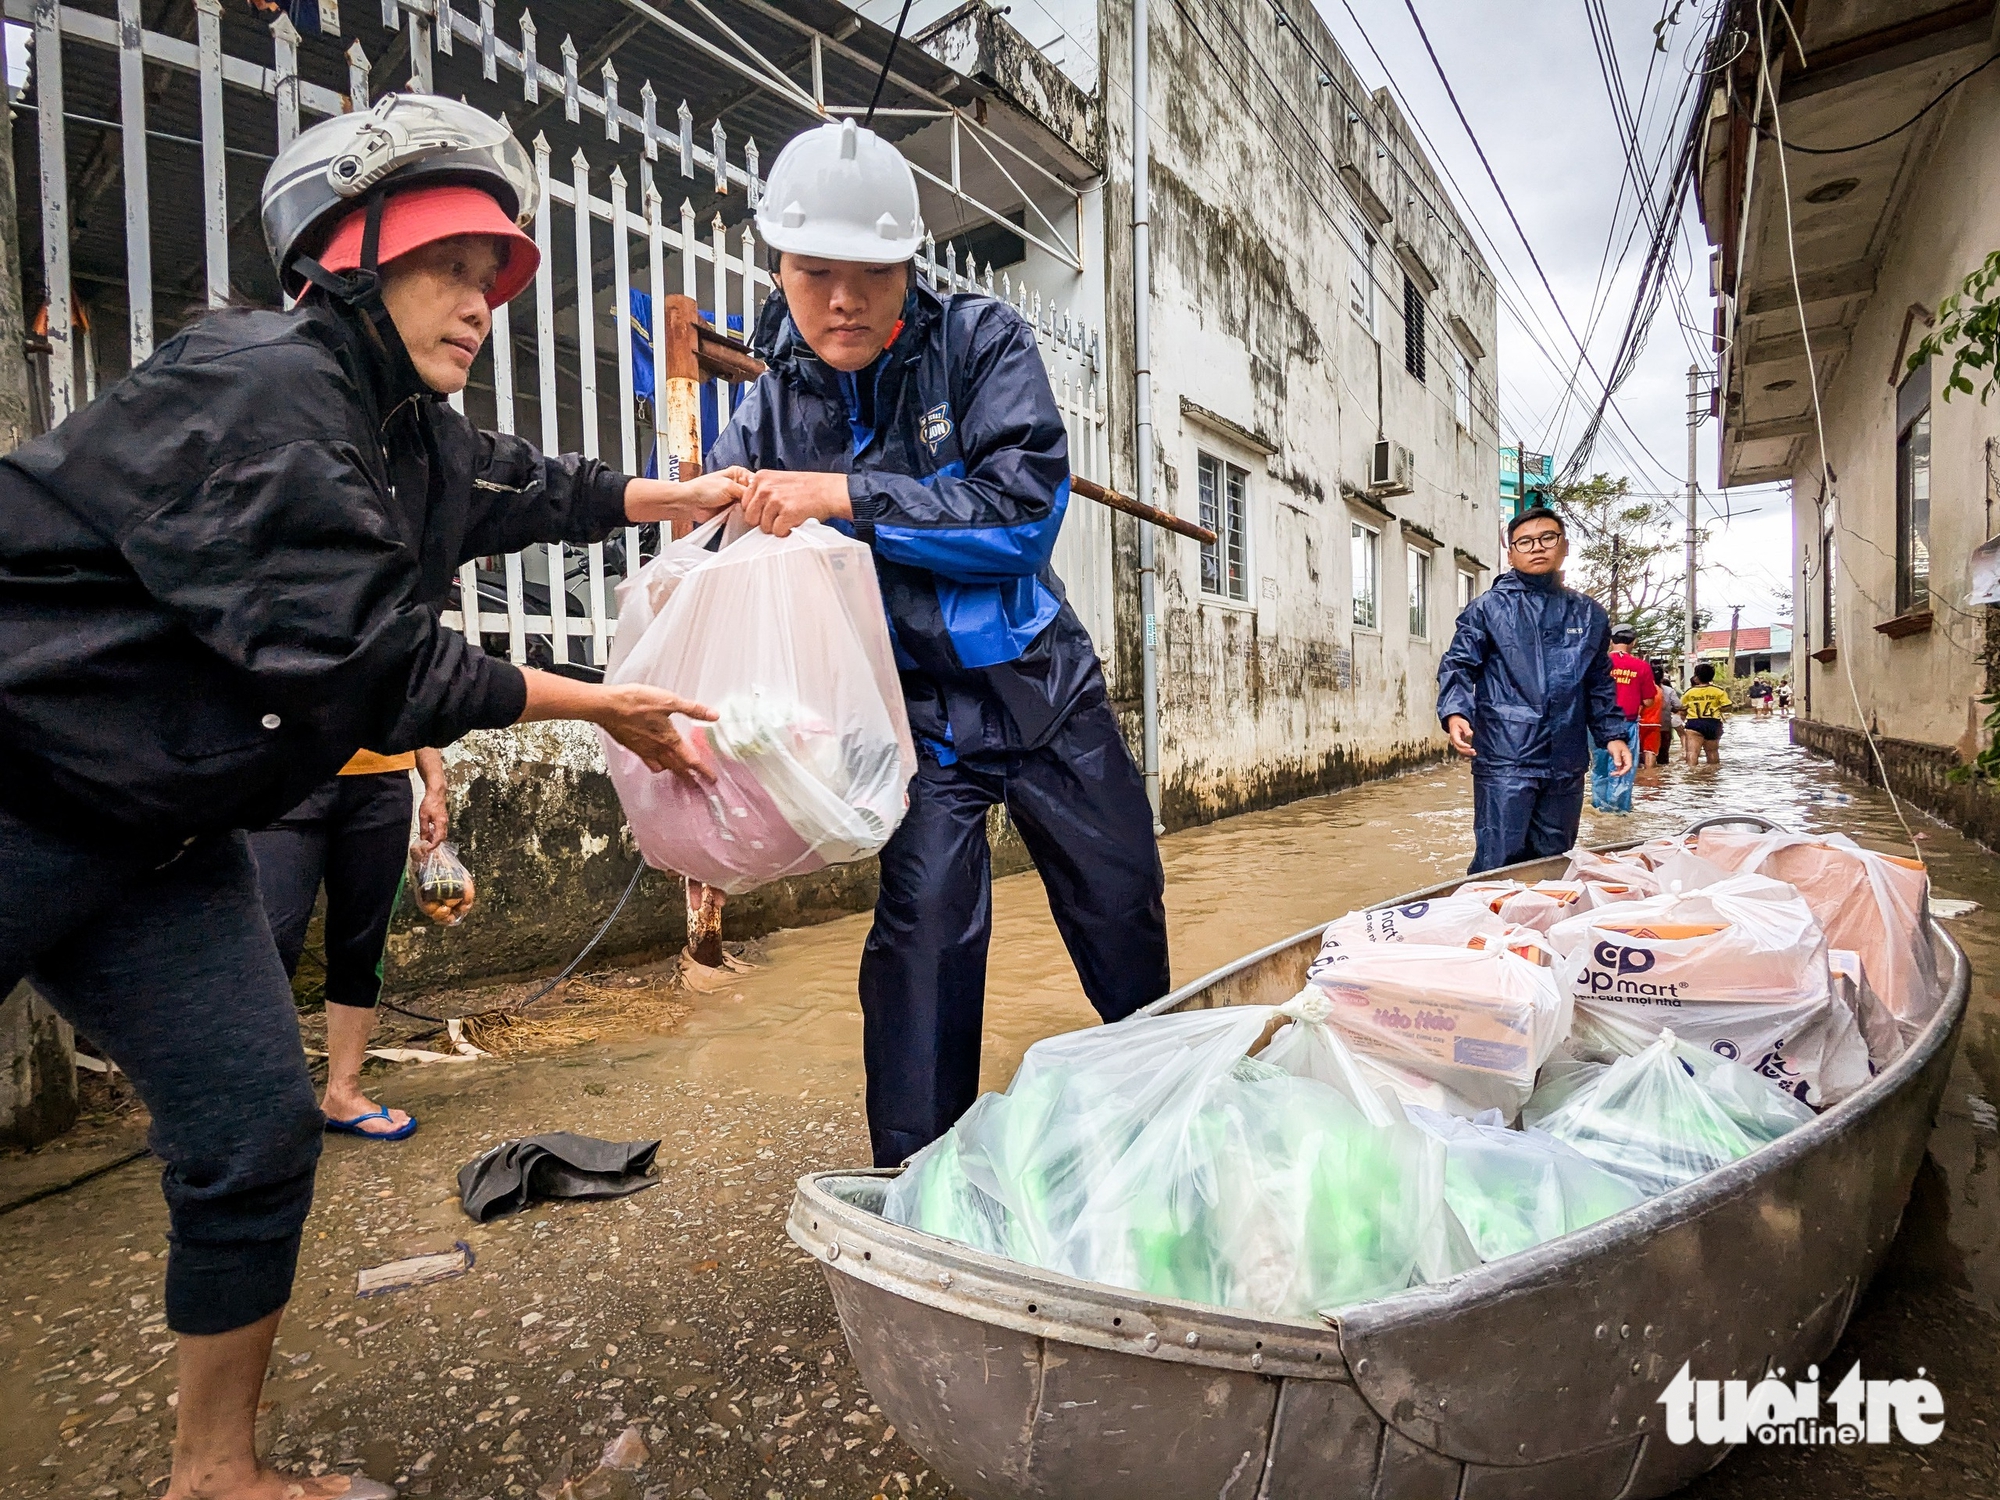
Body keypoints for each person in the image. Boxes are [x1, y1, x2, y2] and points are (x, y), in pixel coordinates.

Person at [0, 95, 745, 1500]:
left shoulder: (412, 431)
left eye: (493, 276)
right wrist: (615, 709)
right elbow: (375, 671)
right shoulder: (263, 387)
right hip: (19, 785)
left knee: (251, 1131)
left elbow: (539, 487)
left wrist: (704, 494)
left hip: (156, 836)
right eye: (452, 263)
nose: (481, 302)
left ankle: (213, 1473)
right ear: (349, 249)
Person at [707, 119, 1171, 1169]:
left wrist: (843, 495)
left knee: (1121, 915)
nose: (839, 300)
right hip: (915, 728)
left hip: (1043, 692)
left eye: (868, 273)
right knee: (920, 952)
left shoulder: (980, 340)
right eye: (811, 271)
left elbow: (1019, 516)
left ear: (908, 265)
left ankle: (1165, 1117)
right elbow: (719, 548)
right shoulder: (769, 402)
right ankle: (916, 1185)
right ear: (775, 266)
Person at [250, 746, 455, 1141]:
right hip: (282, 776)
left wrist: (435, 783)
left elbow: (415, 686)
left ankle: (343, 1094)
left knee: (363, 940)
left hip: (382, 779)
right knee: (267, 943)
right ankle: (249, 1106)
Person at [1437, 506, 1629, 873]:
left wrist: (1613, 734)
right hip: (1506, 757)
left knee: (1555, 859)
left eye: (1547, 538)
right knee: (1498, 860)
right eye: (1524, 542)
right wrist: (1455, 712)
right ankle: (1490, 927)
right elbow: (1459, 663)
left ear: (1564, 546)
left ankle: (1543, 927)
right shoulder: (1488, 609)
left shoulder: (1589, 614)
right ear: (1510, 553)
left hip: (1566, 758)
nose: (1536, 547)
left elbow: (1599, 681)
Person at [1590, 624, 1657, 813]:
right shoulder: (1641, 667)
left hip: (1596, 725)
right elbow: (1648, 700)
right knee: (1623, 769)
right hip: (1626, 723)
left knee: (1599, 768)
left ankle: (1599, 809)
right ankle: (1619, 813)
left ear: (1611, 640)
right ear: (1633, 642)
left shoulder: (1597, 662)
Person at [1681, 663, 1731, 765]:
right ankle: (1713, 775)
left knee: (1692, 753)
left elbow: (1681, 708)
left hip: (1694, 723)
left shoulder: (1689, 692)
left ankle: (1691, 774)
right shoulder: (1719, 691)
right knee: (1712, 752)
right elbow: (1727, 707)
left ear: (1697, 677)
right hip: (1713, 723)